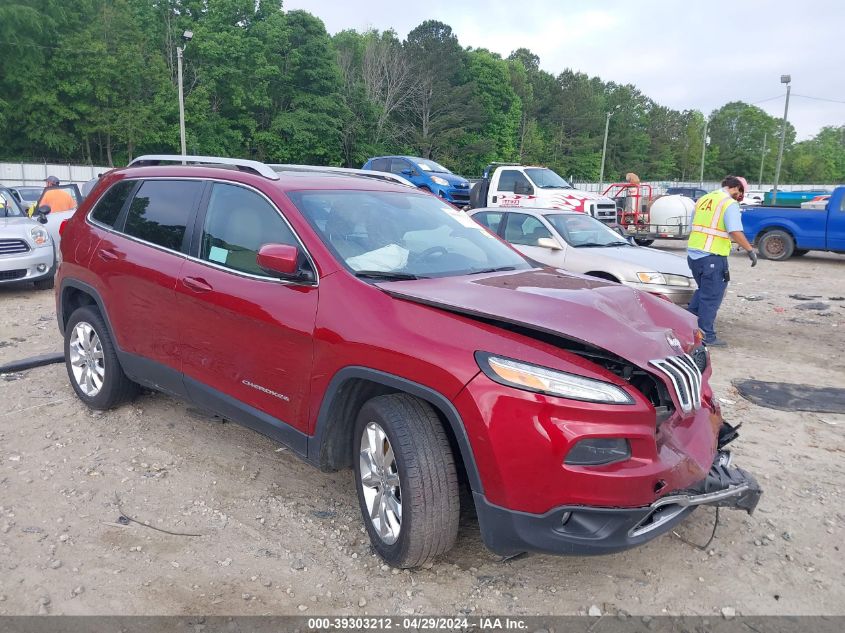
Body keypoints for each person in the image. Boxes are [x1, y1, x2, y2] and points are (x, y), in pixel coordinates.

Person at [686, 175, 757, 347]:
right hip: (712, 256)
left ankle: (687, 329)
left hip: (694, 255)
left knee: (703, 293)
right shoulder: (728, 203)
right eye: (741, 192)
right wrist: (749, 249)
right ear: (735, 188)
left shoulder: (704, 199)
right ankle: (707, 337)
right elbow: (734, 231)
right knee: (711, 297)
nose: (740, 196)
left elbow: (695, 226)